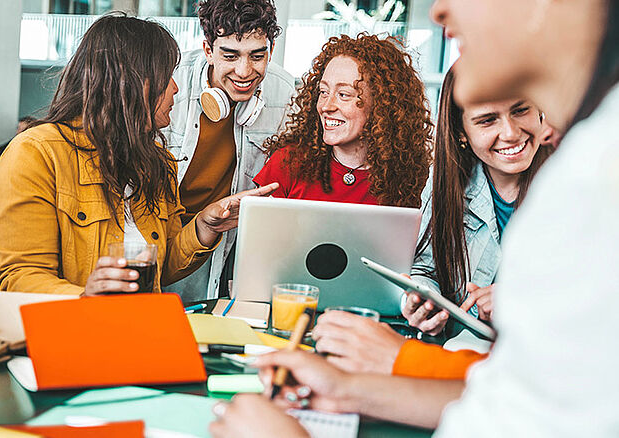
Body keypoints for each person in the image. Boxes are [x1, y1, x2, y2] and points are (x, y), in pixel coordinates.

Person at [211, 0, 619, 435]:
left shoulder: (594, 179)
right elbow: (510, 397)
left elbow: (539, 416)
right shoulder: (570, 165)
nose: (439, 11)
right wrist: (346, 389)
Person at [0, 15, 277, 303]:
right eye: (167, 77)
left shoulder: (157, 162)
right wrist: (84, 296)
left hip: (125, 329)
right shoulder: (36, 153)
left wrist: (206, 226)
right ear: (131, 85)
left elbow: (161, 268)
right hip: (42, 338)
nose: (177, 89)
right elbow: (20, 277)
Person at [402, 68, 553, 338]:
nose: (510, 133)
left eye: (521, 111)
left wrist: (519, 301)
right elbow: (424, 268)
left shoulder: (576, 178)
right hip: (461, 358)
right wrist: (424, 302)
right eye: (487, 121)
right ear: (461, 133)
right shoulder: (446, 180)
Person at [161, 0, 295, 301]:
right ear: (208, 50)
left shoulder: (285, 93)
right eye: (230, 56)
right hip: (171, 238)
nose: (244, 71)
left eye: (257, 56)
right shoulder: (172, 84)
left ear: (270, 49)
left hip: (234, 244)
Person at [254, 33, 432, 207]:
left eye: (343, 94)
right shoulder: (289, 162)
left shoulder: (411, 179)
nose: (326, 106)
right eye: (323, 92)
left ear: (381, 103)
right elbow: (256, 233)